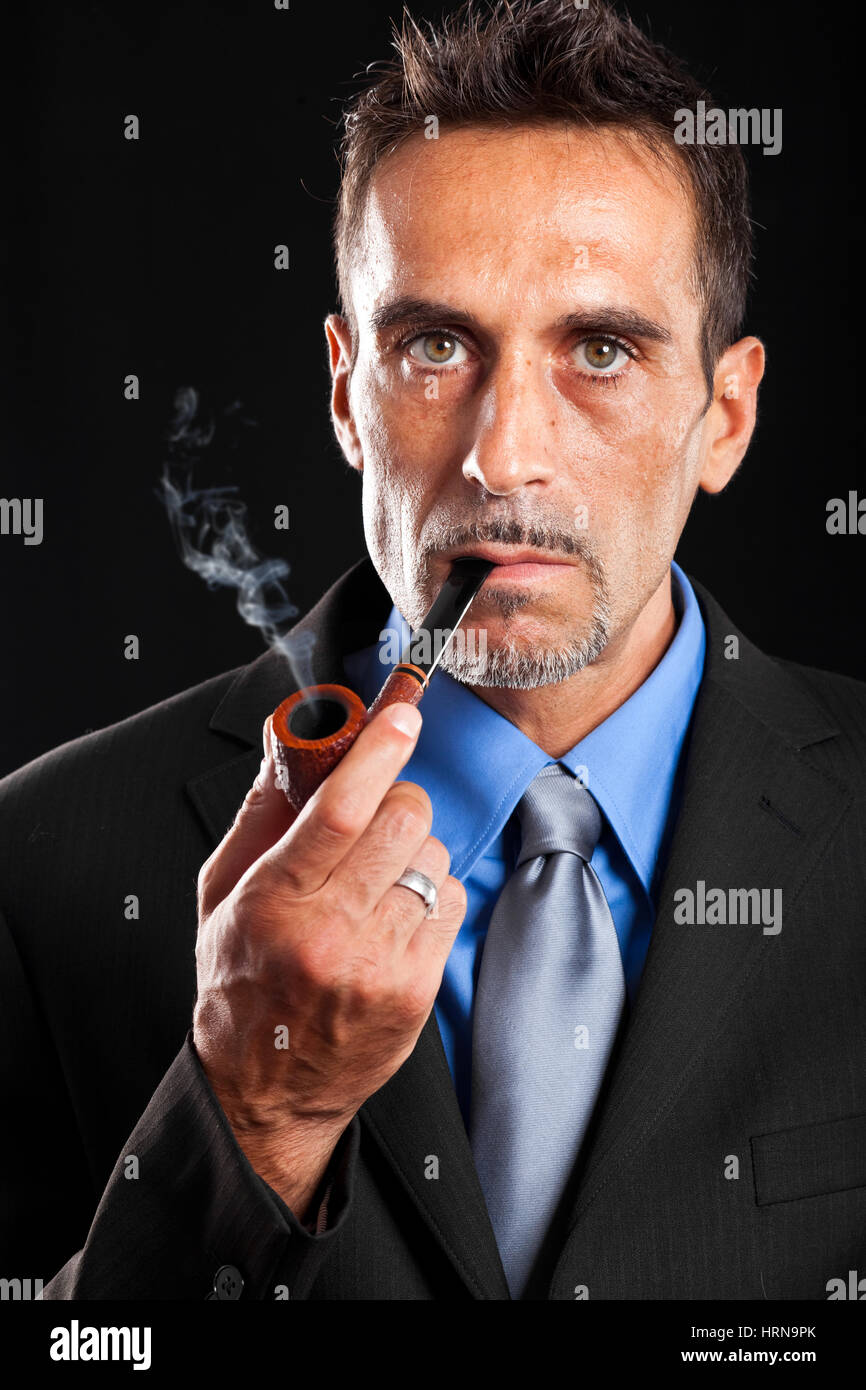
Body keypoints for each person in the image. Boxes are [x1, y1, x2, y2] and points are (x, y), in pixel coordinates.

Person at [2, 0, 864, 1301]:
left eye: (600, 348)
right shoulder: (45, 859)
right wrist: (253, 1120)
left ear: (725, 412)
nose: (503, 452)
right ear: (348, 391)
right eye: (436, 345)